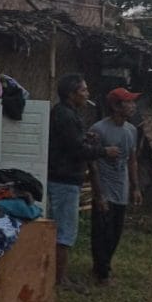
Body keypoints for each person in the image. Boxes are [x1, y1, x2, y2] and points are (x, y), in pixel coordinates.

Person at [47, 73, 120, 288]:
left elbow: (71, 142)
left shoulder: (65, 114)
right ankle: (59, 280)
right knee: (64, 232)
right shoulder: (66, 115)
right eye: (84, 90)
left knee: (60, 229)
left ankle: (57, 275)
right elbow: (76, 150)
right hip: (64, 181)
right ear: (72, 94)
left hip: (62, 178)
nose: (87, 94)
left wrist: (85, 138)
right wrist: (104, 151)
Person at [88, 88, 142, 285]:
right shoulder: (98, 129)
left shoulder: (131, 130)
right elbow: (92, 162)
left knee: (116, 231)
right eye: (129, 102)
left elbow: (132, 160)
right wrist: (98, 193)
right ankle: (102, 273)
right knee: (102, 230)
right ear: (116, 106)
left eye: (133, 102)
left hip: (122, 188)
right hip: (105, 187)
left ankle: (104, 265)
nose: (133, 106)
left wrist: (135, 187)